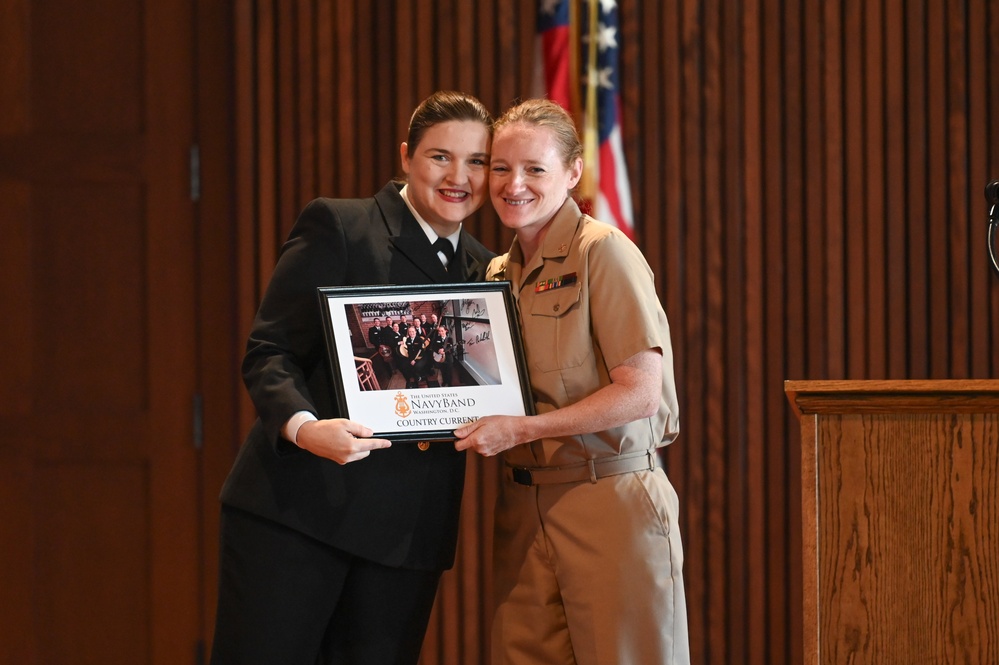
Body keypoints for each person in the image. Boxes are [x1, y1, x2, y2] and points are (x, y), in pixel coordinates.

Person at [210, 90, 496, 665]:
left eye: (477, 161)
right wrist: (304, 427)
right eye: (441, 156)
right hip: (299, 514)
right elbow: (269, 350)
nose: (458, 176)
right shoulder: (341, 225)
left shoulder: (485, 271)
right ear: (407, 157)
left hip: (408, 536)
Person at [454, 98, 690, 665]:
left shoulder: (602, 251)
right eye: (501, 168)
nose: (515, 185)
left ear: (573, 173)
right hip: (522, 505)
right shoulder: (493, 275)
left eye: (535, 169)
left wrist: (523, 428)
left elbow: (639, 392)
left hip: (607, 498)